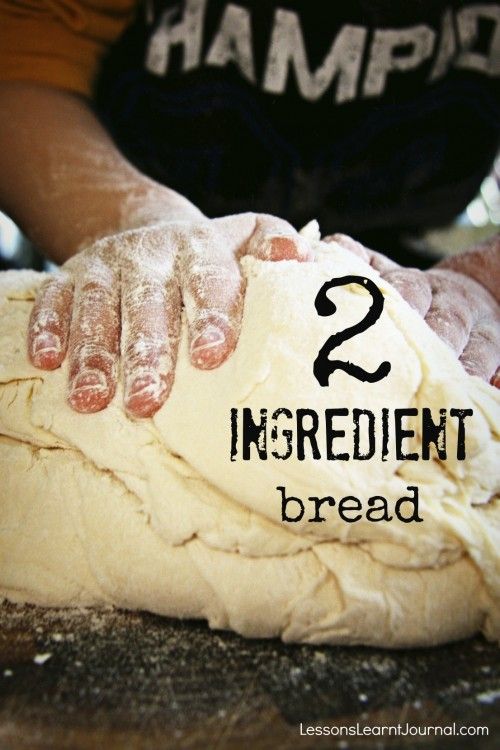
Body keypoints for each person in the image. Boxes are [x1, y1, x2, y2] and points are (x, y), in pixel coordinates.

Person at [0, 0, 498, 418]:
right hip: (132, 222)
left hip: (400, 251)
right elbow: (20, 62)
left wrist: (487, 275)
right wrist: (135, 215)